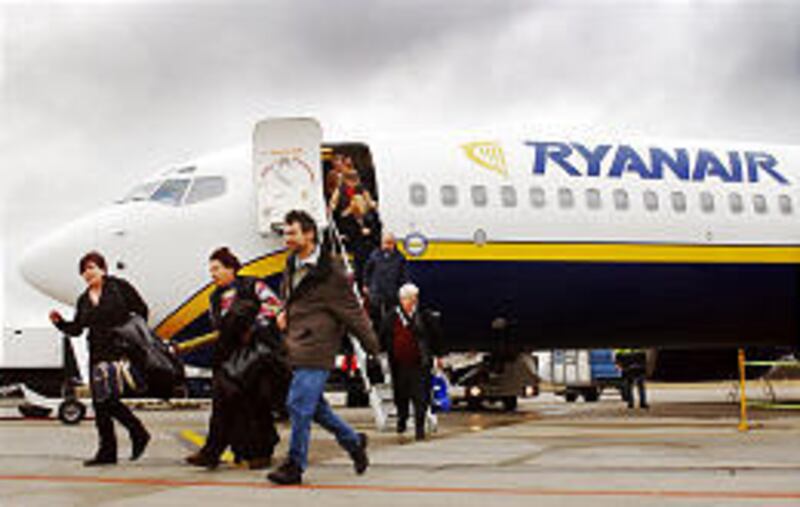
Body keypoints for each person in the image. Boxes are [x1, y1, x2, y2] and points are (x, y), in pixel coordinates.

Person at [267, 210, 380, 486]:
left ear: (310, 235)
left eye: (292, 233)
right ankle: (354, 442)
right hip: (294, 343)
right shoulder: (291, 263)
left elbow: (354, 314)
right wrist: (284, 312)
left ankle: (295, 465)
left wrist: (374, 351)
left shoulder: (332, 272)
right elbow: (292, 298)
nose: (286, 238)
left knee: (298, 405)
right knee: (315, 408)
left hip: (318, 347)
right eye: (285, 233)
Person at [49, 251, 151, 466]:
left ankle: (136, 433)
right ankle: (109, 451)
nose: (88, 273)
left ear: (103, 269)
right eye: (84, 270)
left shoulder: (119, 287)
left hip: (119, 351)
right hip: (97, 353)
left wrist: (130, 332)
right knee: (100, 403)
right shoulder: (84, 299)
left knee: (108, 400)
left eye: (92, 267)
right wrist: (60, 323)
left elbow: (142, 310)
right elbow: (77, 329)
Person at [186, 247, 283, 470]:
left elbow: (274, 307)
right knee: (222, 404)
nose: (213, 274)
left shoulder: (251, 285)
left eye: (217, 268)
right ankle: (213, 451)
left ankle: (260, 452)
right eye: (211, 270)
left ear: (231, 268)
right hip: (229, 357)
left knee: (255, 405)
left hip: (254, 355)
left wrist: (254, 326)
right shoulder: (215, 296)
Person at [379, 283, 442, 440]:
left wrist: (438, 356)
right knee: (401, 395)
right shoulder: (392, 316)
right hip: (399, 364)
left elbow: (436, 337)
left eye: (411, 298)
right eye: (405, 299)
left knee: (420, 397)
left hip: (420, 363)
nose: (409, 302)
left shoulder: (425, 316)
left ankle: (419, 429)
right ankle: (402, 418)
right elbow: (382, 335)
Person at [363, 232, 409, 331]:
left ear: (394, 244)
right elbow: (367, 270)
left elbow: (404, 276)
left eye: (390, 243)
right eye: (385, 243)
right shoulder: (374, 255)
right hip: (376, 292)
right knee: (375, 319)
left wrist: (403, 291)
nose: (387, 246)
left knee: (390, 320)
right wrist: (366, 284)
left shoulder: (400, 258)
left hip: (392, 293)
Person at [339, 194, 381, 287]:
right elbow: (347, 233)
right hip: (357, 247)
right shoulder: (347, 217)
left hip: (371, 246)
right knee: (360, 269)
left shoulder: (371, 214)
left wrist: (370, 231)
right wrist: (359, 232)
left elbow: (378, 228)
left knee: (372, 268)